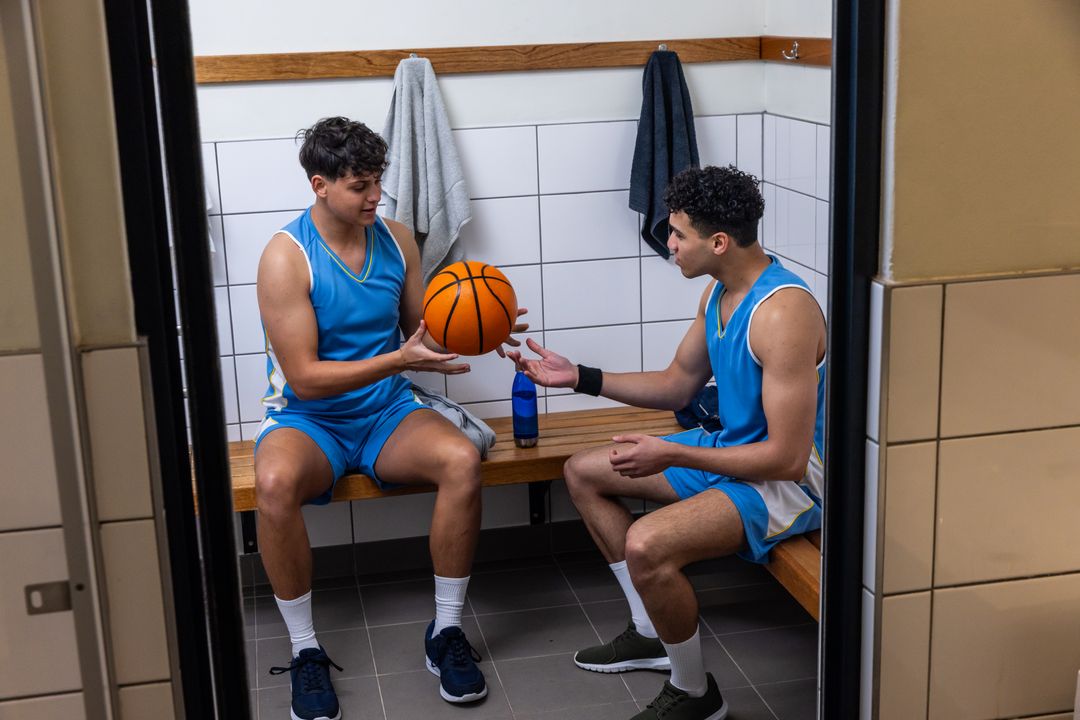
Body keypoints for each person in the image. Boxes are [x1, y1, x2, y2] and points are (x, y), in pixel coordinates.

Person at [508, 165, 826, 720]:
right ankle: (651, 631)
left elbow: (787, 458)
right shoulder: (719, 292)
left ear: (719, 242)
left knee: (647, 545)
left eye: (678, 234)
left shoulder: (782, 313)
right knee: (583, 471)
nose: (670, 244)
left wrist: (673, 451)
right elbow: (678, 383)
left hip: (788, 484)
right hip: (732, 449)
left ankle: (696, 694)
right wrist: (578, 376)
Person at [254, 117, 524, 719]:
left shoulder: (398, 240)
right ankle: (304, 649)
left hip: (385, 412)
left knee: (461, 461)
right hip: (308, 419)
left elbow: (423, 333)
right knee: (271, 484)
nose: (376, 196)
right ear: (320, 185)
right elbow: (305, 377)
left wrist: (487, 327)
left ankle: (446, 631)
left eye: (378, 181)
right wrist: (398, 360)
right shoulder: (285, 257)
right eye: (360, 186)